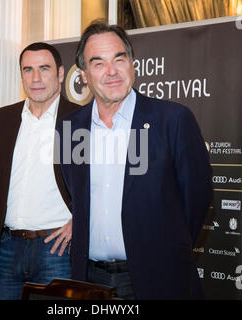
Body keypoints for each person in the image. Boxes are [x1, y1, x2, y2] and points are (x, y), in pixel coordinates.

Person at [56, 21, 213, 299]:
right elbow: (71, 191)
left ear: (132, 64)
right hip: (90, 280)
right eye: (98, 63)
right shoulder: (70, 128)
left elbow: (196, 201)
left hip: (157, 278)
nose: (112, 71)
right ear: (84, 75)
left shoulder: (172, 120)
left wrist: (164, 248)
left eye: (119, 58)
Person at [0, 42, 79, 300]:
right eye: (28, 70)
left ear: (60, 74)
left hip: (57, 251)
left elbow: (99, 185)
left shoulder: (79, 119)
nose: (36, 78)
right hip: (5, 250)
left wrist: (80, 220)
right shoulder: (1, 120)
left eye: (44, 69)